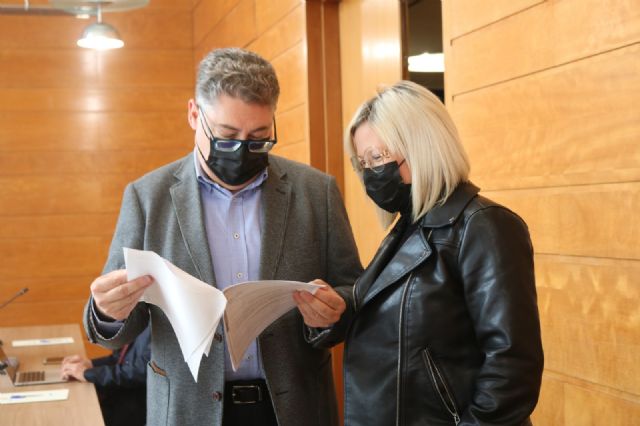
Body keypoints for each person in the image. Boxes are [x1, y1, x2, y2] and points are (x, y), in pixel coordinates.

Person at [82, 47, 362, 426]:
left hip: (294, 408)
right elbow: (117, 329)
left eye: (259, 138)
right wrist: (107, 312)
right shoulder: (148, 197)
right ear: (194, 115)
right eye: (227, 137)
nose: (242, 151)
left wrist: (331, 314)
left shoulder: (316, 192)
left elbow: (351, 291)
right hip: (187, 409)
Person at [294, 80, 544, 425]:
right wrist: (338, 308)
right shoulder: (408, 226)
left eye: (378, 157)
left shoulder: (484, 225)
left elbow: (512, 368)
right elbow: (389, 310)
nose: (370, 173)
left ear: (422, 145)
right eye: (363, 162)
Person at [61, 327, 151, 426]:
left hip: (133, 407)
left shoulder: (157, 327)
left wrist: (88, 373)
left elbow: (138, 372)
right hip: (117, 397)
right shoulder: (143, 321)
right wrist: (90, 364)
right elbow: (118, 358)